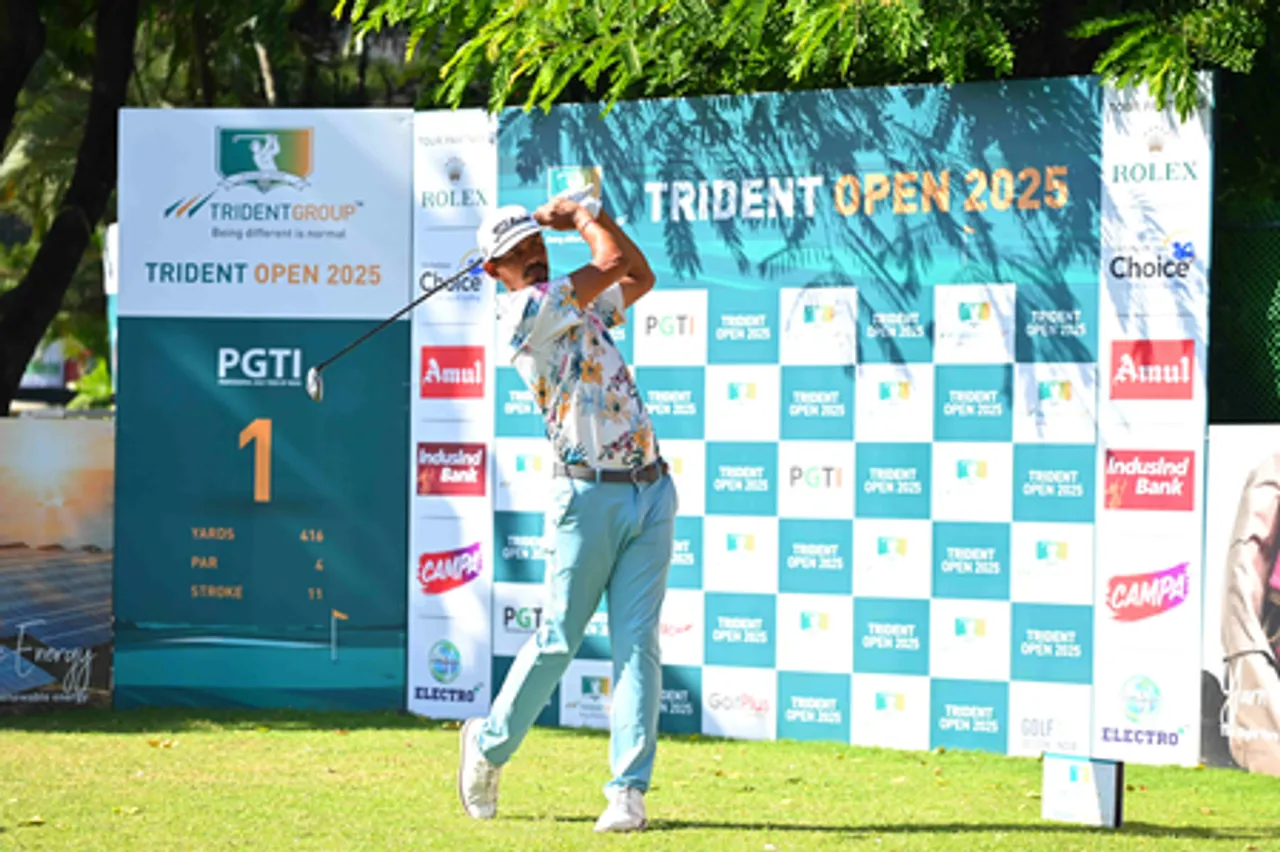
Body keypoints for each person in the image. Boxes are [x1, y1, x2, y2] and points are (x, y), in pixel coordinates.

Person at [457, 189, 677, 833]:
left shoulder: (576, 303)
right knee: (558, 639)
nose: (532, 254)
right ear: (492, 271)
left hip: (650, 489)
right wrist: (581, 217)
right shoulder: (524, 311)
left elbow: (639, 275)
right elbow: (609, 264)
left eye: (535, 243)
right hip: (586, 496)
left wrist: (598, 215)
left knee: (638, 644)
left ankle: (628, 792)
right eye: (515, 252)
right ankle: (488, 745)